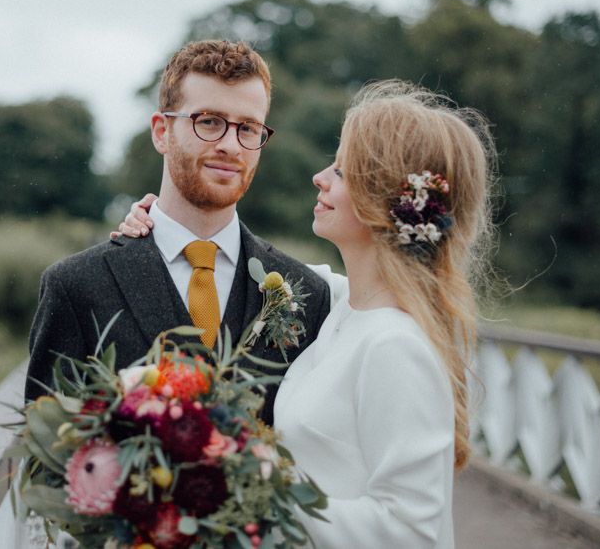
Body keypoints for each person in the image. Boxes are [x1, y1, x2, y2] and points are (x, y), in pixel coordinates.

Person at [120, 80, 495, 548]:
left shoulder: (395, 346)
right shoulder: (342, 306)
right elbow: (241, 264)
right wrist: (163, 227)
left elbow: (412, 532)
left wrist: (250, 486)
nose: (320, 177)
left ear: (386, 197)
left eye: (342, 170)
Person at [26, 40, 331, 428]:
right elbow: (44, 458)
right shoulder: (75, 287)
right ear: (161, 131)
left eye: (248, 128)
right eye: (208, 122)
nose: (229, 145)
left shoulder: (308, 294)